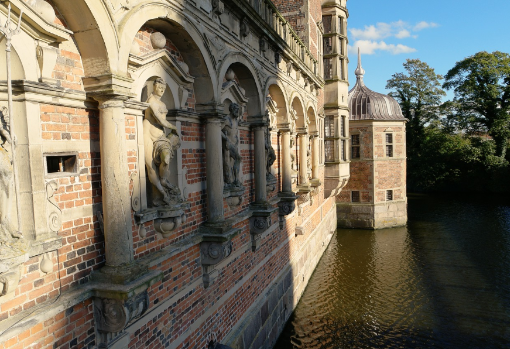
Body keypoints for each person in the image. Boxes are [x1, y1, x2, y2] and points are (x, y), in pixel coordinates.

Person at [144, 78, 180, 206]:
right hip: (148, 135)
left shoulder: (163, 104)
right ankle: (162, 194)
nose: (162, 90)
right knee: (151, 168)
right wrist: (174, 127)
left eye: (164, 89)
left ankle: (164, 181)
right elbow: (160, 120)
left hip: (161, 137)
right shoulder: (151, 101)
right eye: (160, 87)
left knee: (166, 158)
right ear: (154, 87)